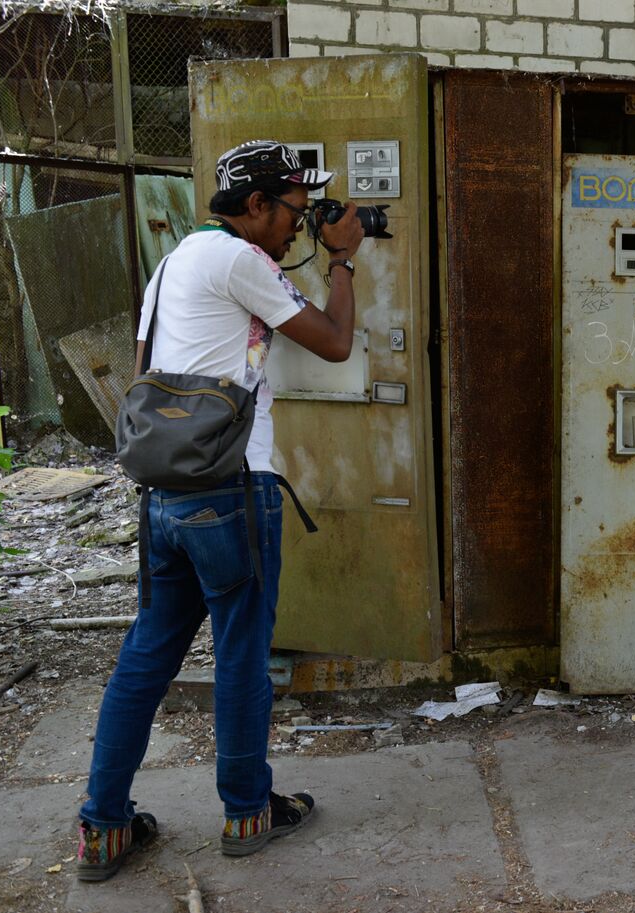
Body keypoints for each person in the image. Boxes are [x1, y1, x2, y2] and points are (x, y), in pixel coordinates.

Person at [75, 140, 365, 882]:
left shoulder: (173, 262)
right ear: (257, 204)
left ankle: (104, 828)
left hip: (165, 494)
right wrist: (343, 259)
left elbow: (146, 374)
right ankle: (247, 810)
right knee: (241, 652)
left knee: (146, 655)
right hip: (233, 488)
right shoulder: (243, 261)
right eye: (294, 217)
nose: (297, 231)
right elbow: (333, 343)